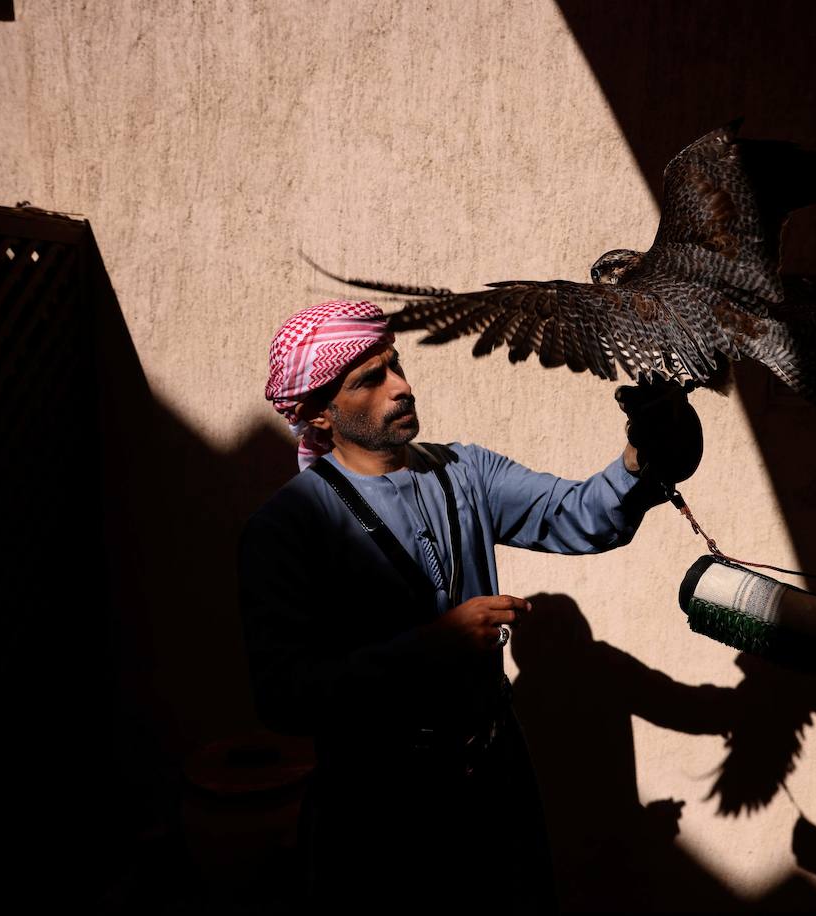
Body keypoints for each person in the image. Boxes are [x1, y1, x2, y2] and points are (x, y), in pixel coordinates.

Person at [237, 299, 700, 911]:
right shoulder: (287, 528)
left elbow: (581, 515)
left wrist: (640, 456)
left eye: (397, 365)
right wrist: (429, 647)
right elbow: (284, 696)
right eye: (370, 379)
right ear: (318, 413)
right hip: (376, 812)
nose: (400, 387)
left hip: (495, 778)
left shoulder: (466, 471)